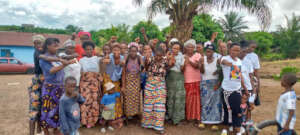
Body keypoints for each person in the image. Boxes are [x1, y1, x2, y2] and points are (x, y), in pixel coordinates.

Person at [39, 38, 75, 135]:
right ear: (47, 46)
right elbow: (51, 70)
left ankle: (55, 129)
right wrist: (65, 65)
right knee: (47, 109)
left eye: (57, 46)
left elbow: (65, 59)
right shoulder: (44, 58)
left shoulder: (55, 56)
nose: (57, 48)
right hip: (50, 88)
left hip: (59, 87)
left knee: (58, 109)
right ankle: (46, 130)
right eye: (54, 46)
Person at [142, 47, 172, 135]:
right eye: (156, 55)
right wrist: (147, 62)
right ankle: (147, 124)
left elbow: (168, 69)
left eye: (160, 56)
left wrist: (169, 60)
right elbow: (146, 69)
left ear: (162, 55)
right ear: (154, 54)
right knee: (148, 105)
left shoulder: (165, 60)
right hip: (150, 84)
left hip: (160, 84)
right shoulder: (150, 59)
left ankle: (158, 127)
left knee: (160, 106)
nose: (158, 57)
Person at [220, 43, 249, 135]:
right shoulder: (225, 58)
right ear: (229, 50)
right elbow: (221, 61)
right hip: (226, 90)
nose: (236, 52)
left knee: (237, 110)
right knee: (226, 109)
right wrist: (228, 63)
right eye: (234, 50)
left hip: (236, 90)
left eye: (238, 50)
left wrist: (246, 89)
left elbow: (239, 77)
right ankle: (225, 128)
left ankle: (237, 129)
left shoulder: (239, 61)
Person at [79, 41, 102, 128]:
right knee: (85, 102)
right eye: (87, 49)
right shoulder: (81, 60)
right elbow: (81, 72)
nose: (89, 51)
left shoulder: (97, 59)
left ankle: (93, 121)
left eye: (90, 49)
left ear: (93, 50)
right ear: (84, 50)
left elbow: (101, 70)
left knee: (94, 102)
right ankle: (85, 121)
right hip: (85, 84)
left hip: (95, 84)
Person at [199, 44, 222, 130]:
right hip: (205, 83)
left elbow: (221, 73)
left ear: (213, 52)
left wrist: (218, 84)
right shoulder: (202, 59)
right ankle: (204, 121)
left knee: (216, 103)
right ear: (205, 51)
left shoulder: (217, 60)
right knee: (205, 103)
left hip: (215, 84)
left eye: (211, 51)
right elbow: (202, 71)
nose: (209, 53)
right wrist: (201, 64)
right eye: (207, 51)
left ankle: (215, 123)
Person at [102, 43, 124, 129]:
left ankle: (117, 118)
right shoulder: (109, 57)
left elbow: (123, 72)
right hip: (107, 79)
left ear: (120, 50)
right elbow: (104, 62)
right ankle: (108, 120)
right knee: (108, 100)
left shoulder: (122, 58)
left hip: (116, 81)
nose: (116, 51)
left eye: (118, 49)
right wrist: (105, 60)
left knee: (117, 99)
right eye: (114, 49)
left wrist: (123, 85)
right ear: (112, 51)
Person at [28, 35, 45, 135]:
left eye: (39, 42)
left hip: (44, 82)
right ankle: (31, 133)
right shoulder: (38, 53)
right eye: (35, 43)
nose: (37, 45)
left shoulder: (44, 52)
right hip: (37, 82)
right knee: (34, 108)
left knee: (42, 107)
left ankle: (39, 130)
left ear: (43, 43)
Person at [166, 42, 186, 125]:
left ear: (180, 49)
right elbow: (166, 68)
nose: (175, 50)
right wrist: (170, 60)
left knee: (178, 98)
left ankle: (177, 119)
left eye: (177, 48)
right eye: (174, 48)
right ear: (171, 48)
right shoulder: (168, 55)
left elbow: (182, 69)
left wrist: (183, 64)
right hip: (170, 78)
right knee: (170, 97)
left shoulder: (182, 57)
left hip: (179, 79)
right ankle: (170, 117)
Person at [122, 42, 143, 119]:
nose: (133, 53)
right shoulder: (126, 58)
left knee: (136, 98)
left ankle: (136, 114)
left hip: (136, 80)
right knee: (127, 97)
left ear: (137, 51)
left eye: (135, 51)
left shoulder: (139, 58)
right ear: (129, 51)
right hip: (128, 80)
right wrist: (123, 85)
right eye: (131, 51)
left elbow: (142, 67)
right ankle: (128, 115)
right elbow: (124, 72)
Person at [183, 39, 202, 126]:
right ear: (185, 48)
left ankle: (197, 117)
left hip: (196, 80)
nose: (190, 48)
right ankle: (189, 117)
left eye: (192, 47)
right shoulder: (183, 56)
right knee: (189, 100)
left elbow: (197, 66)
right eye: (188, 47)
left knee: (197, 100)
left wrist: (189, 60)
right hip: (187, 81)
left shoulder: (198, 55)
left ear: (194, 48)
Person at [246, 41, 261, 106]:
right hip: (242, 79)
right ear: (247, 46)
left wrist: (258, 85)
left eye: (254, 48)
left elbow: (256, 71)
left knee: (250, 101)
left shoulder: (255, 56)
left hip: (251, 80)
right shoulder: (240, 54)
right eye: (252, 47)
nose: (253, 49)